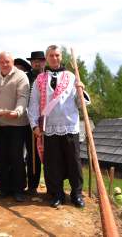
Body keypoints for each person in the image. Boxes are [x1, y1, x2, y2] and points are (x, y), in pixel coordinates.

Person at [28, 45, 90, 208]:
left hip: (69, 125)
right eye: (51, 55)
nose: (54, 58)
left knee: (74, 161)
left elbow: (80, 102)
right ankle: (57, 194)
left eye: (57, 55)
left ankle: (76, 194)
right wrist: (34, 124)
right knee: (52, 162)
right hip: (49, 127)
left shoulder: (71, 77)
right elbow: (33, 104)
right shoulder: (39, 80)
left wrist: (81, 90)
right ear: (46, 58)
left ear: (61, 57)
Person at [0, 52, 30, 202]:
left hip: (17, 124)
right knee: (1, 157)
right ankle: (4, 188)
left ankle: (19, 189)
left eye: (7, 61)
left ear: (12, 62)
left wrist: (18, 112)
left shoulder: (21, 76)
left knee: (17, 157)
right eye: (1, 62)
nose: (4, 64)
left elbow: (23, 97)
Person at [24, 51, 46, 196]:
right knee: (32, 155)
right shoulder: (25, 77)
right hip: (28, 120)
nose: (37, 63)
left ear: (44, 62)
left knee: (49, 154)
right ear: (31, 63)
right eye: (34, 61)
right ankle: (32, 185)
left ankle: (53, 185)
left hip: (48, 120)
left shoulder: (49, 76)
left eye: (40, 60)